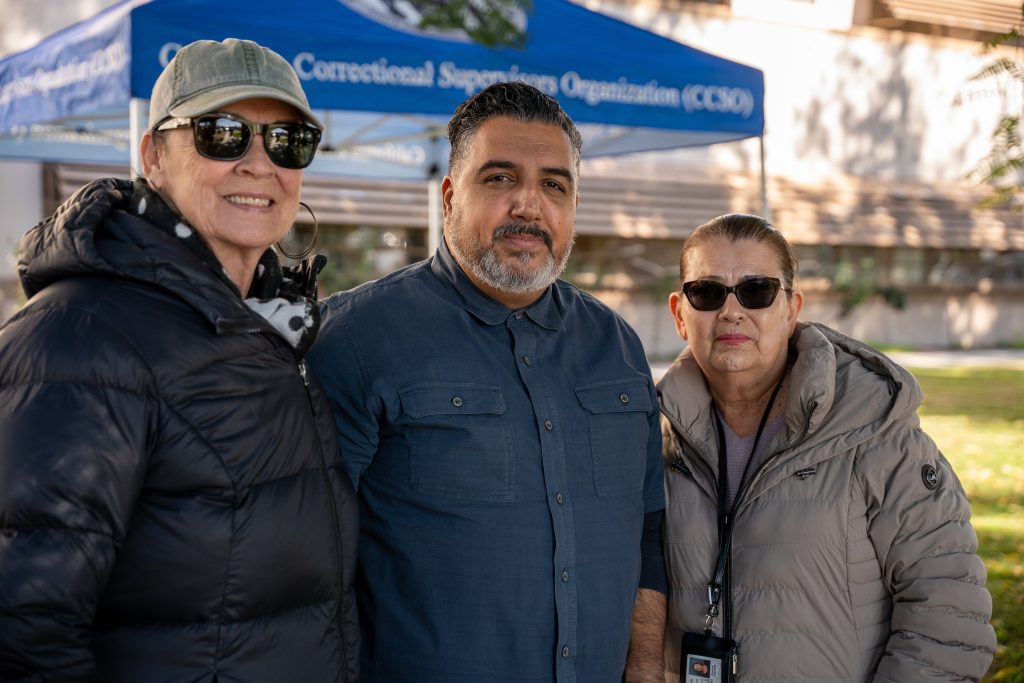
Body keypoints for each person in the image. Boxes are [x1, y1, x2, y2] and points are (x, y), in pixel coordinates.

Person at [0, 39, 359, 681]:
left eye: (288, 140)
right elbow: (21, 628)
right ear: (153, 157)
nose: (259, 163)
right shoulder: (78, 336)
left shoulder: (275, 326)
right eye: (221, 134)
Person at [308, 81, 666, 682]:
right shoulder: (355, 338)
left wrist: (647, 664)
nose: (529, 204)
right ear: (450, 195)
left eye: (554, 184)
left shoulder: (618, 347)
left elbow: (650, 529)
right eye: (500, 178)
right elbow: (305, 565)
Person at [656, 213, 996, 681]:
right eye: (708, 292)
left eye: (757, 291)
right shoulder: (651, 443)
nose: (732, 311)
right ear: (679, 313)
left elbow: (949, 612)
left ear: (792, 309)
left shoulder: (876, 434)